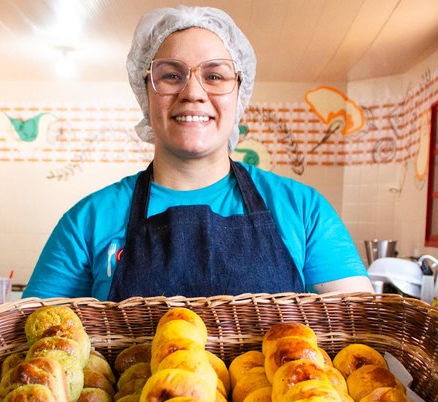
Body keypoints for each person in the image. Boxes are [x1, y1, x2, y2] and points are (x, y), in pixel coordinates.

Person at [24, 5, 372, 301]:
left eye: (215, 76)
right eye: (171, 75)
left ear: (240, 92)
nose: (192, 92)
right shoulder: (87, 222)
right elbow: (31, 346)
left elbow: (361, 331)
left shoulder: (303, 211)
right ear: (145, 91)